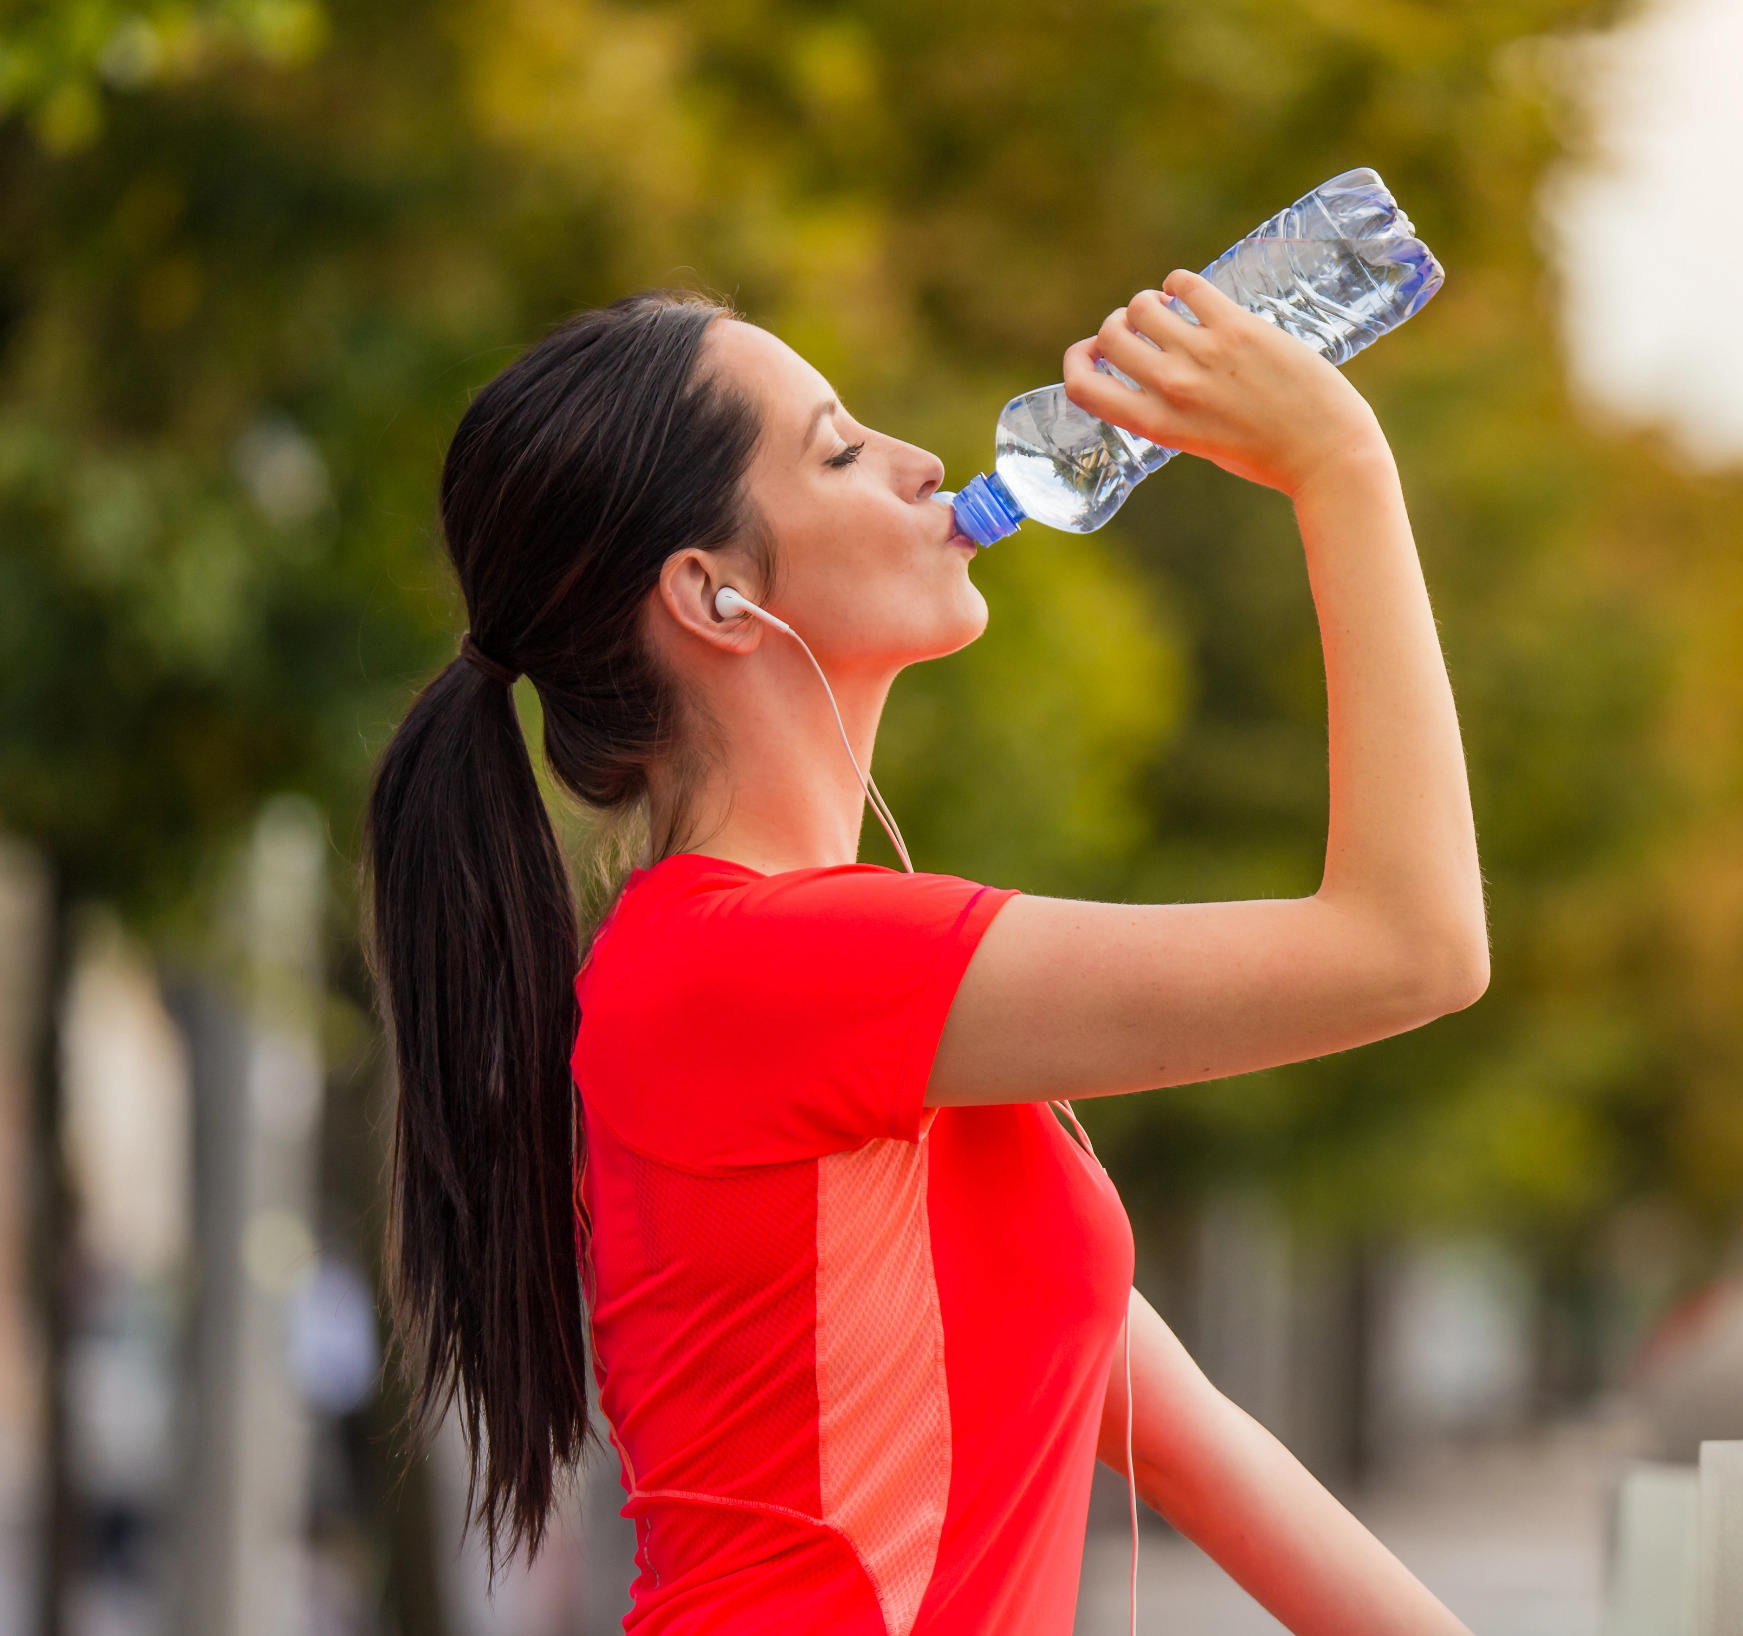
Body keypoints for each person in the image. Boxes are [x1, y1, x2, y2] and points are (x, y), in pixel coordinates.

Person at [365, 270, 1487, 1635]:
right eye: (841, 450)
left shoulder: (861, 1006)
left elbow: (1204, 1453)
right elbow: (1410, 947)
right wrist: (1341, 469)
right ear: (715, 597)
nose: (922, 466)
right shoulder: (766, 966)